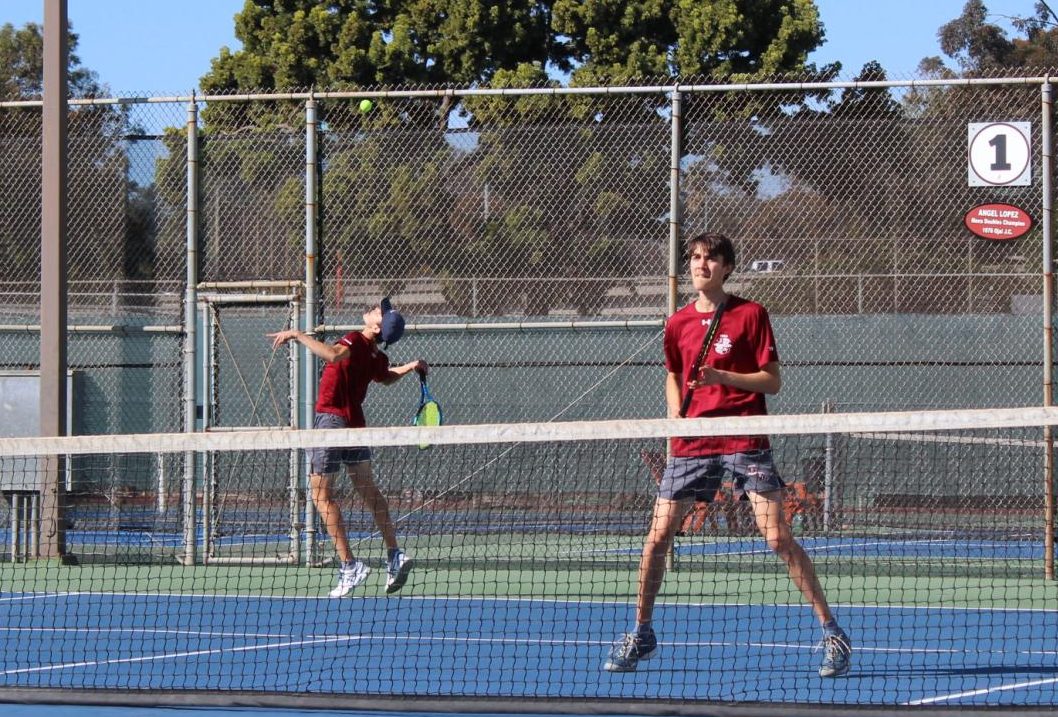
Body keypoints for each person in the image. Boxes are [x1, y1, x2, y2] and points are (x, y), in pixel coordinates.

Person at [603, 233, 852, 677]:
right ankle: (641, 632)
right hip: (692, 443)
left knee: (776, 538)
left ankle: (833, 632)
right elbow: (673, 375)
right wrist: (674, 414)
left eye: (711, 259)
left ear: (727, 268)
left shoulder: (751, 314)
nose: (701, 265)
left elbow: (771, 381)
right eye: (696, 258)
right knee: (657, 538)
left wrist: (723, 375)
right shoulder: (676, 323)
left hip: (743, 438)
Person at [268, 297, 427, 597]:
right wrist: (412, 365)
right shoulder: (376, 356)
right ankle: (394, 553)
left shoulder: (354, 340)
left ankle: (350, 565)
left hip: (331, 422)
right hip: (355, 425)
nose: (373, 308)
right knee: (369, 492)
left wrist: (297, 334)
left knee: (320, 495)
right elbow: (387, 377)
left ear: (377, 324)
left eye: (380, 311)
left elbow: (332, 355)